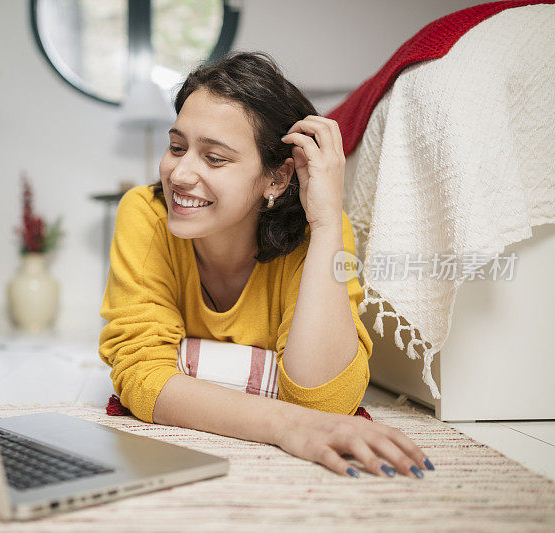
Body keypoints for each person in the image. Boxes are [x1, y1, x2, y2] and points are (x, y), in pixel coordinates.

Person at [99, 51, 433, 479]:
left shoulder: (321, 234)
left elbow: (326, 402)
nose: (179, 174)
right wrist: (282, 423)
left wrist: (329, 222)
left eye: (214, 158)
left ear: (276, 178)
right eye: (177, 147)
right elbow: (141, 376)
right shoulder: (145, 212)